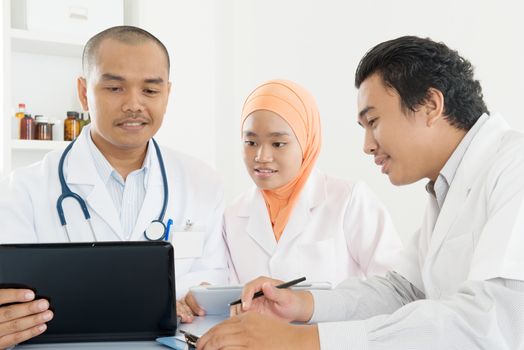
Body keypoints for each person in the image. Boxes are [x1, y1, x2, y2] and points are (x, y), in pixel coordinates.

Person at [196, 36, 524, 349]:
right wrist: (302, 304)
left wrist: (302, 341)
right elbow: (403, 291)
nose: (368, 146)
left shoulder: (513, 168)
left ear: (430, 105)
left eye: (374, 121)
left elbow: (491, 322)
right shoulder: (447, 187)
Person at [0, 25, 227, 347]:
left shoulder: (203, 182)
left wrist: (190, 298)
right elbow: (12, 300)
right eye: (115, 88)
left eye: (150, 91)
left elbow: (215, 281)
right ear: (83, 92)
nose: (134, 105)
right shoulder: (23, 191)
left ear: (167, 94)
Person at [223, 79, 402, 286]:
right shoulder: (233, 215)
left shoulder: (349, 199)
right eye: (251, 143)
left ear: (307, 140)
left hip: (337, 320)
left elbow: (392, 286)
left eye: (278, 143)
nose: (262, 156)